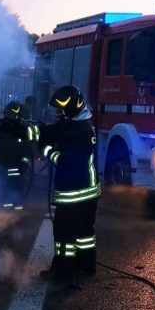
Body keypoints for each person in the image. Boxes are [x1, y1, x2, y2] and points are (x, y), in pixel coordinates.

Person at [38, 85, 99, 280]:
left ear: (71, 108)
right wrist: (39, 131)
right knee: (84, 234)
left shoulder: (82, 131)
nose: (60, 113)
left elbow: (66, 161)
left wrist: (47, 151)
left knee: (64, 235)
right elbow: (56, 130)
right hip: (87, 191)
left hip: (75, 192)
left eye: (62, 110)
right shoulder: (76, 122)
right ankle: (86, 265)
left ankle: (62, 272)